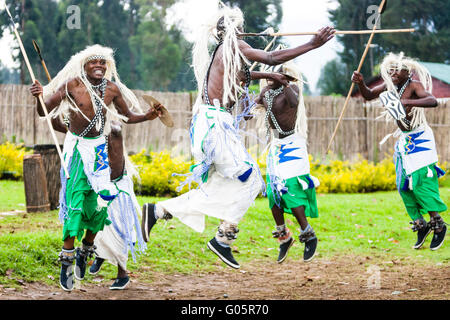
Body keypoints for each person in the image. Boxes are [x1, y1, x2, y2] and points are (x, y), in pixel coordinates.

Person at [140, 3, 335, 269]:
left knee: (225, 185)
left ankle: (159, 212)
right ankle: (222, 239)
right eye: (240, 28)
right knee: (253, 180)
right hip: (215, 125)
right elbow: (271, 58)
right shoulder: (233, 44)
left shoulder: (225, 50)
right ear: (233, 29)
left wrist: (268, 75)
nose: (242, 32)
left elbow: (246, 74)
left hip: (211, 124)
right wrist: (312, 44)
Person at [29, 44, 162, 291]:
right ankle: (67, 260)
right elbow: (45, 110)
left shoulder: (112, 89)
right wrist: (38, 97)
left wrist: (148, 116)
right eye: (94, 62)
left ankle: (86, 250)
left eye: (103, 63)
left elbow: (128, 116)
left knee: (102, 202)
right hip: (78, 151)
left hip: (98, 150)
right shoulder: (72, 85)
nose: (99, 66)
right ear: (85, 65)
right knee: (76, 203)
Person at [351, 52, 447, 250]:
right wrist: (360, 83)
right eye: (390, 69)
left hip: (420, 139)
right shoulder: (390, 86)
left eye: (397, 69)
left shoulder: (414, 86)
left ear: (407, 72)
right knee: (403, 185)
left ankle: (438, 224)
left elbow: (432, 101)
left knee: (421, 182)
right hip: (405, 140)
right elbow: (368, 95)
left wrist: (408, 102)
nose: (392, 72)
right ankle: (420, 224)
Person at [255, 60, 319, 263]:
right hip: (276, 146)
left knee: (289, 188)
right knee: (273, 192)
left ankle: (308, 233)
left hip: (293, 144)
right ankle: (284, 237)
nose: (268, 79)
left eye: (272, 75)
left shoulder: (291, 90)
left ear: (282, 76)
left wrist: (284, 82)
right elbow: (254, 105)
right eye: (267, 76)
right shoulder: (265, 92)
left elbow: (295, 102)